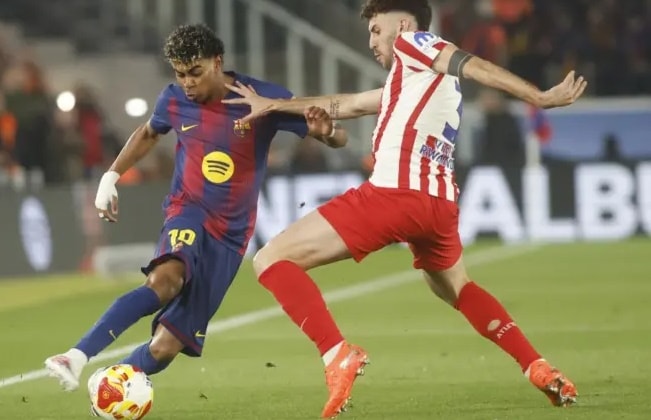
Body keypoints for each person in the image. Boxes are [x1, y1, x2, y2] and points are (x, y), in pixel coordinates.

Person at [222, 0, 586, 417]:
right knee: (456, 286)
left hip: (396, 194)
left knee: (271, 259)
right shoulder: (414, 79)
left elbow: (473, 64)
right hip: (439, 206)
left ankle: (336, 354)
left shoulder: (415, 43)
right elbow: (348, 104)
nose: (371, 41)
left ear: (404, 23)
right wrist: (272, 106)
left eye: (376, 29)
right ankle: (535, 365)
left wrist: (536, 96)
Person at [44, 23, 347, 392]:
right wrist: (111, 177)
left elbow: (337, 136)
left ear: (217, 62)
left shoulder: (261, 98)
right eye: (180, 74)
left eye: (195, 72)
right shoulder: (174, 99)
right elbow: (149, 132)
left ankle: (109, 385)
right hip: (188, 211)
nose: (187, 83)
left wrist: (328, 133)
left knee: (164, 348)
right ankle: (75, 356)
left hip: (231, 237)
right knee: (165, 281)